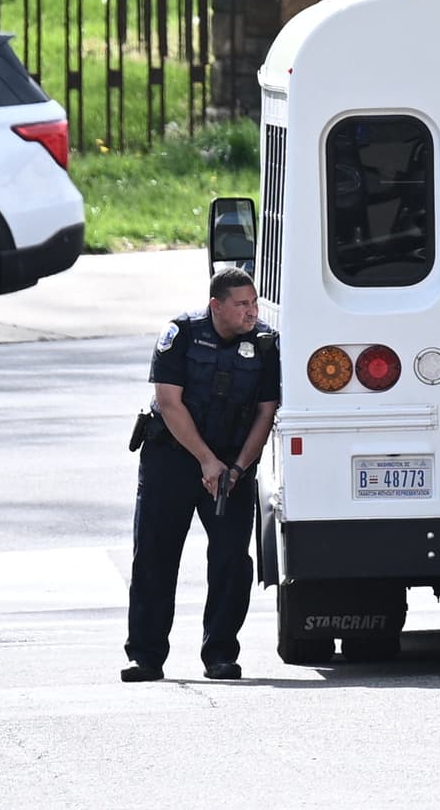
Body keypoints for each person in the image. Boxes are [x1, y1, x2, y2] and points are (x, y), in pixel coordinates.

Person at [122, 266, 279, 682]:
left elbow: (265, 412)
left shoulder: (264, 343)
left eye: (253, 302)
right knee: (154, 556)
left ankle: (220, 655)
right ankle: (145, 657)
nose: (252, 311)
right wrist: (206, 460)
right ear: (216, 306)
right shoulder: (181, 334)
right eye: (241, 304)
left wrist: (238, 467)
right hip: (172, 458)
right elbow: (168, 402)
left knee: (231, 561)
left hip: (232, 463)